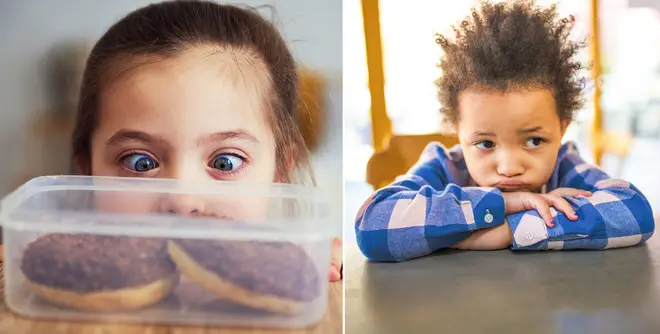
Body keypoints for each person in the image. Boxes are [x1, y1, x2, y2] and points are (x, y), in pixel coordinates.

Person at [355, 0, 655, 262]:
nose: (509, 168)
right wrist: (503, 204)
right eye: (485, 143)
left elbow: (634, 212)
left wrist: (510, 230)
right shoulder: (445, 166)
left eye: (534, 140)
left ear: (562, 129)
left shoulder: (563, 166)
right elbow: (372, 224)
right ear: (458, 132)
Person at [67, 0, 342, 280]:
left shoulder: (296, 271)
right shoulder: (60, 278)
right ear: (87, 171)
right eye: (139, 162)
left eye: (225, 162)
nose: (183, 202)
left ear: (279, 169)